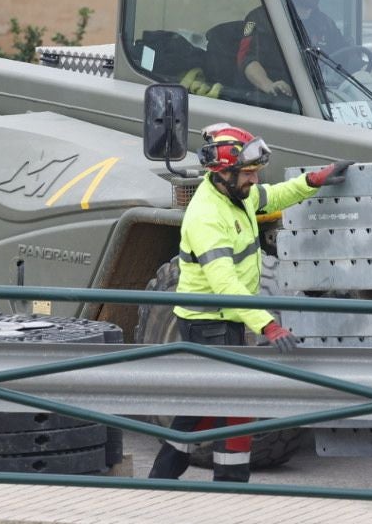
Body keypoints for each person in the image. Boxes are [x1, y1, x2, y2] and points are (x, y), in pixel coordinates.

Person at [147, 123, 352, 484]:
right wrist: (267, 324)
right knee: (236, 405)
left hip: (224, 319)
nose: (254, 181)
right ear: (222, 172)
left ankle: (161, 479)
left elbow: (273, 197)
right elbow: (224, 282)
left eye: (256, 173)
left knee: (203, 406)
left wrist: (314, 180)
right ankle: (231, 487)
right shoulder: (207, 216)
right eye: (248, 173)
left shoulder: (237, 196)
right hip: (207, 322)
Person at [239, 0, 344, 97]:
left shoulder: (325, 23)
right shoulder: (259, 19)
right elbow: (246, 59)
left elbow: (346, 57)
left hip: (321, 101)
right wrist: (269, 85)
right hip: (277, 102)